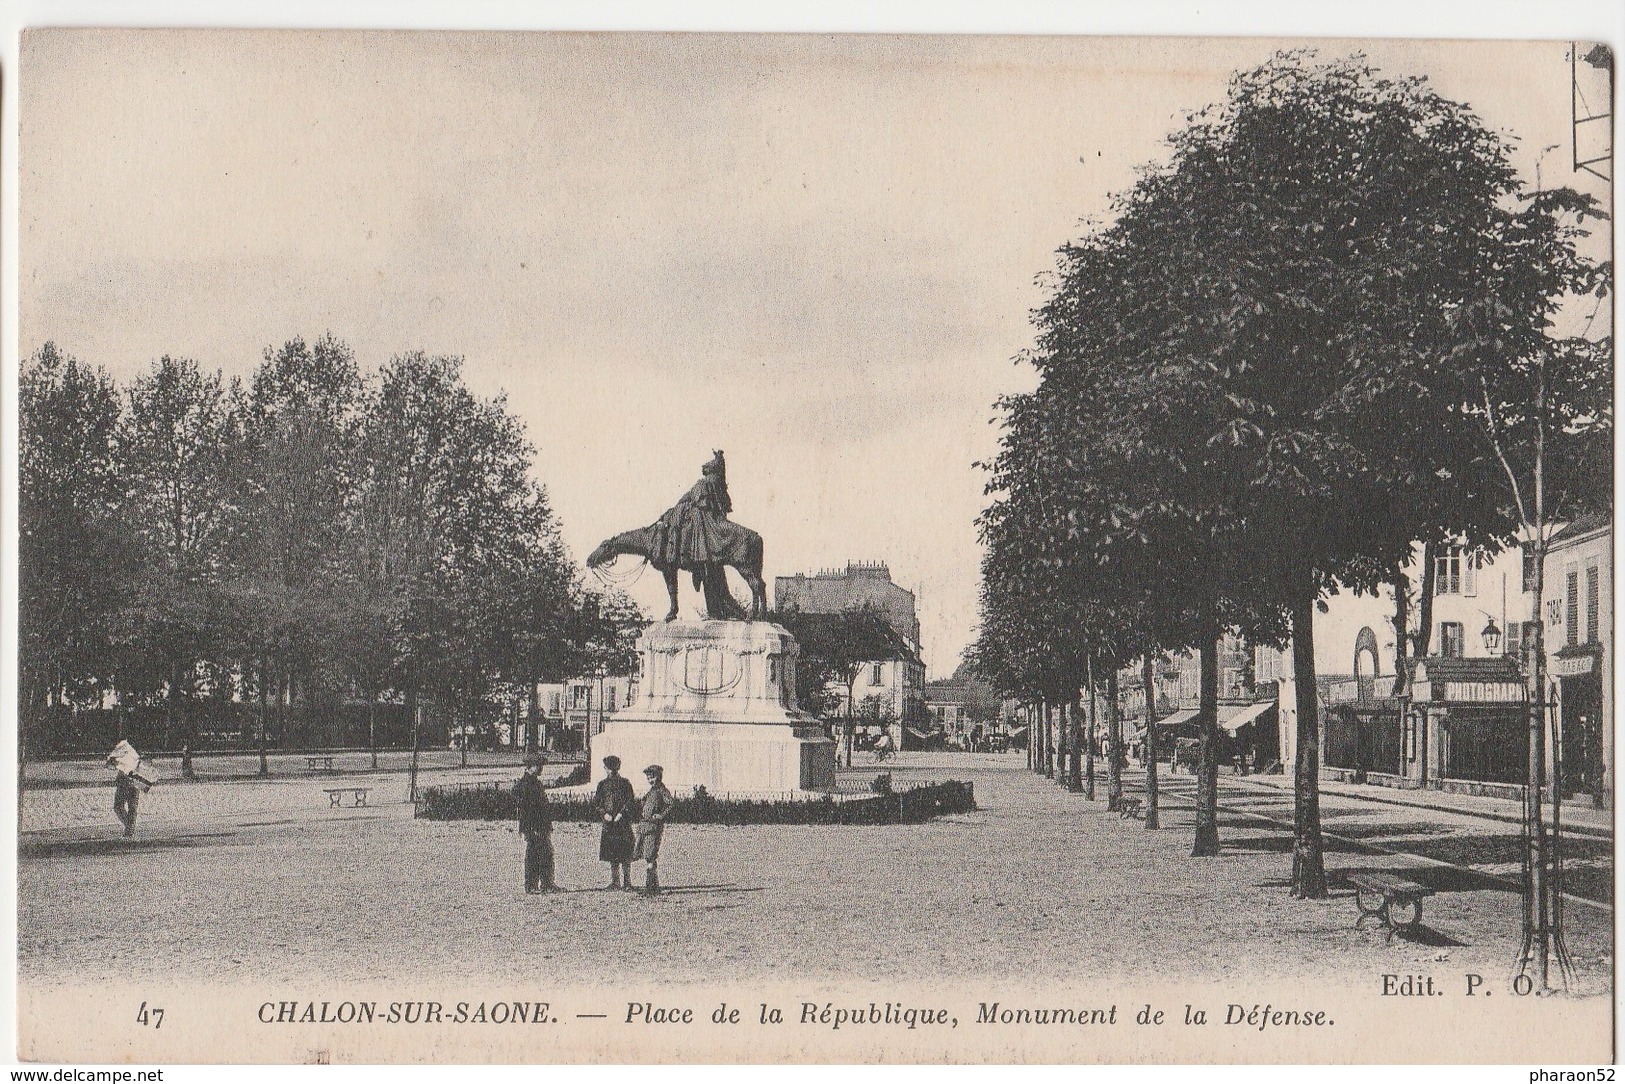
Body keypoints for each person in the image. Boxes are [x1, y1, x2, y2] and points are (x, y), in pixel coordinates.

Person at [514, 754, 558, 894]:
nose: (541, 768)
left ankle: (546, 883)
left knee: (545, 854)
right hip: (534, 826)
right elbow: (525, 810)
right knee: (534, 855)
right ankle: (533, 885)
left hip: (541, 825)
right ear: (529, 766)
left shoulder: (534, 782)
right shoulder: (526, 784)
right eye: (538, 765)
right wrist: (530, 828)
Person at [593, 755, 637, 890]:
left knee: (625, 854)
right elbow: (596, 803)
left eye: (613, 768)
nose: (610, 771)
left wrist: (621, 813)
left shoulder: (625, 783)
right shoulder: (602, 785)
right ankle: (615, 882)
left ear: (618, 768)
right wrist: (604, 813)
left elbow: (630, 800)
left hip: (622, 823)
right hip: (609, 823)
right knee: (612, 853)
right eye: (608, 768)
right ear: (605, 769)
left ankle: (627, 882)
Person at [634, 765, 675, 895]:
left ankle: (651, 886)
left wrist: (661, 815)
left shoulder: (662, 790)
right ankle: (652, 885)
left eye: (652, 777)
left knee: (650, 855)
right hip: (645, 826)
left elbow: (671, 803)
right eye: (648, 777)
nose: (650, 780)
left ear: (659, 776)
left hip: (653, 827)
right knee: (647, 855)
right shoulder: (652, 790)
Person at [105, 739, 148, 837]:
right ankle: (130, 830)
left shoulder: (122, 750)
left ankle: (129, 828)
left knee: (118, 806)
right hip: (136, 780)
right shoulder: (136, 754)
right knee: (132, 808)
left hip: (124, 781)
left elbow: (110, 765)